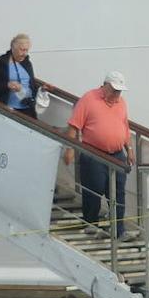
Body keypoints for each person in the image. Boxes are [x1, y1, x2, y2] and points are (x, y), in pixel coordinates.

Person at [62, 72, 134, 238]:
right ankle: (91, 224)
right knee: (95, 188)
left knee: (118, 191)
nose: (117, 94)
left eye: (120, 91)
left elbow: (125, 127)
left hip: (117, 154)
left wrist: (129, 149)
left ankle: (118, 229)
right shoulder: (89, 99)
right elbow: (74, 126)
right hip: (93, 152)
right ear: (105, 85)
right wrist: (70, 148)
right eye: (115, 90)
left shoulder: (121, 102)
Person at [0, 34, 42, 119]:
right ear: (13, 48)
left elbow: (31, 84)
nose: (25, 54)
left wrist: (43, 88)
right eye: (22, 50)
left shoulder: (27, 63)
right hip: (8, 108)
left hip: (27, 108)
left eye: (27, 50)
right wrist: (7, 85)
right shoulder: (1, 62)